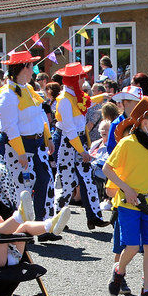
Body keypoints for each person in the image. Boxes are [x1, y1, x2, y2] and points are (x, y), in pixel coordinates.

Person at [104, 97, 148, 296]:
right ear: (144, 121)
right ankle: (119, 270)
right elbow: (107, 169)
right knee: (132, 247)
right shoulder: (127, 143)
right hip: (128, 204)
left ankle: (147, 291)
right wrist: (126, 188)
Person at [0, 50, 54, 225]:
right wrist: (20, 152)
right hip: (17, 146)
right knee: (21, 187)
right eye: (31, 66)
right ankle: (20, 227)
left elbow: (40, 115)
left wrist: (48, 137)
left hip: (36, 144)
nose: (33, 70)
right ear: (24, 68)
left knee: (44, 180)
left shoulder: (28, 89)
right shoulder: (7, 94)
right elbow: (10, 126)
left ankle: (41, 224)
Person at [50, 62, 108, 230]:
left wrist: (103, 97)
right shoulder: (64, 100)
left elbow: (86, 103)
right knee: (67, 183)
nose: (84, 79)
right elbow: (69, 129)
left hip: (78, 140)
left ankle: (94, 217)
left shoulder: (76, 95)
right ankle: (57, 219)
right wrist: (82, 151)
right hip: (67, 143)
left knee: (88, 179)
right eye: (82, 77)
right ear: (76, 79)